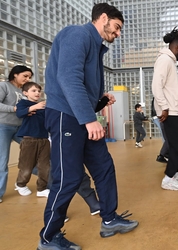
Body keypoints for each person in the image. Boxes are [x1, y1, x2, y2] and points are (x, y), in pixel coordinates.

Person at [38, 3, 138, 250]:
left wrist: (99, 100)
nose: (118, 34)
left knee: (103, 167)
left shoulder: (95, 46)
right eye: (116, 27)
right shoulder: (77, 34)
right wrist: (90, 119)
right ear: (103, 18)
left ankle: (109, 219)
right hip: (65, 115)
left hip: (79, 116)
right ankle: (48, 238)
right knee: (68, 178)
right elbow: (68, 78)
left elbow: (80, 85)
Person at [152, 27, 178, 191]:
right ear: (177, 48)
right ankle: (168, 179)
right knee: (174, 145)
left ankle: (174, 172)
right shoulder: (164, 60)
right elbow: (156, 85)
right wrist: (164, 107)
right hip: (169, 111)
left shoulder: (169, 61)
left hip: (174, 110)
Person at [0, 65, 33, 203]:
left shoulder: (23, 90)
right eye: (25, 76)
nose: (27, 79)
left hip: (20, 128)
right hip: (3, 126)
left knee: (33, 153)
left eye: (29, 77)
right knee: (2, 161)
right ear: (15, 74)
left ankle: (46, 182)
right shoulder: (4, 86)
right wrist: (15, 108)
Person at [14, 82, 50, 197]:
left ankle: (42, 188)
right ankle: (20, 184)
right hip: (29, 140)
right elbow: (19, 113)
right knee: (26, 165)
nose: (37, 93)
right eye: (34, 91)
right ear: (25, 93)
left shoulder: (43, 106)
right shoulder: (23, 103)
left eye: (39, 91)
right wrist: (33, 107)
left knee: (45, 166)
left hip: (44, 140)